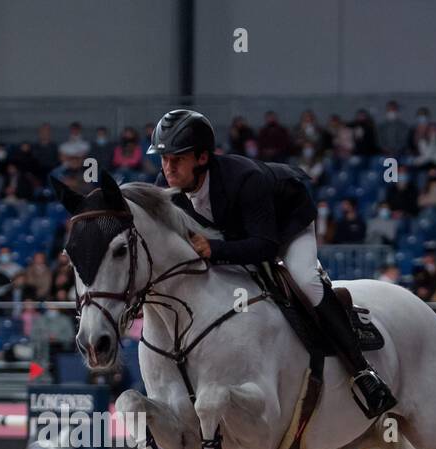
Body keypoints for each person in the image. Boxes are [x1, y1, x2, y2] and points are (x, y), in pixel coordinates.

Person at [146, 108, 395, 417]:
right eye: (164, 159)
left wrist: (213, 249)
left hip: (284, 226)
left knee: (305, 281)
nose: (168, 168)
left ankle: (363, 373)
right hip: (234, 235)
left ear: (201, 158)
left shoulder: (245, 179)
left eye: (177, 159)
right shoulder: (166, 187)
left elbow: (265, 247)